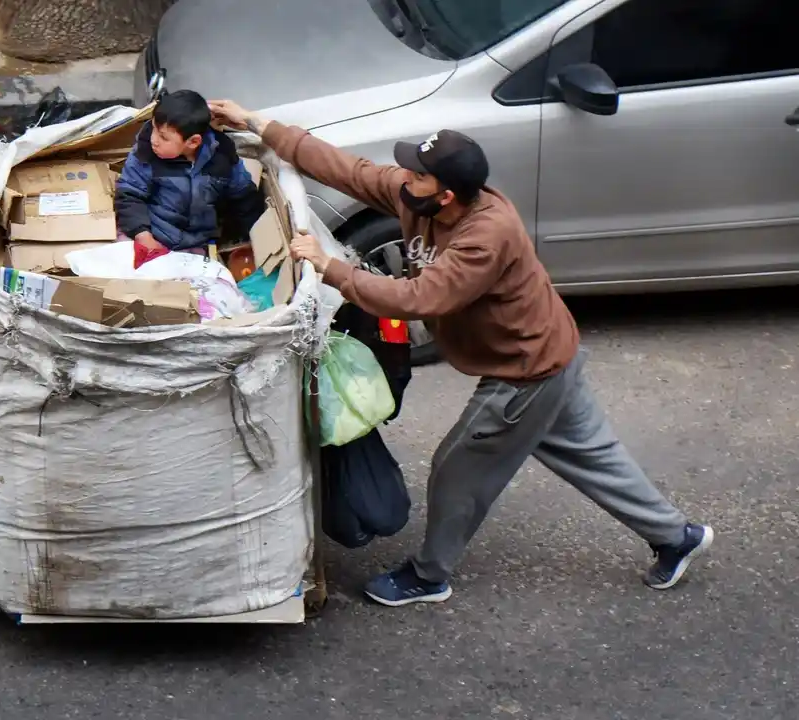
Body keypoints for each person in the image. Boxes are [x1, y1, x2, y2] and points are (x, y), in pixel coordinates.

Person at [209, 99, 713, 607]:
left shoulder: (485, 235)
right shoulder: (418, 197)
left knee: (457, 471)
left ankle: (429, 576)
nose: (404, 177)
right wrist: (255, 122)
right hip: (552, 353)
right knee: (596, 458)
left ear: (447, 195)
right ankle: (677, 537)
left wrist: (329, 267)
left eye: (417, 175)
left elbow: (419, 298)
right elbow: (349, 170)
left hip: (524, 372)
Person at [115, 90, 264, 268]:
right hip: (151, 235)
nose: (154, 139)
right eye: (154, 128)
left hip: (195, 246)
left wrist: (247, 241)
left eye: (163, 137)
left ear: (193, 142)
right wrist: (143, 236)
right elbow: (129, 195)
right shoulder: (145, 152)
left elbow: (244, 199)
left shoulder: (223, 156)